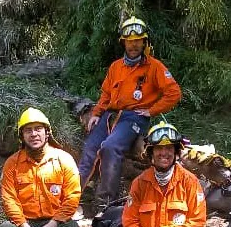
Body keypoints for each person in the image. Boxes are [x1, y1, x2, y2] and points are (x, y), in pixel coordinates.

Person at [77, 16, 181, 208]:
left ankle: (106, 202)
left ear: (144, 42)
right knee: (91, 147)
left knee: (110, 147)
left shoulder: (154, 67)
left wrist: (152, 111)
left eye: (137, 41)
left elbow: (174, 93)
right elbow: (106, 93)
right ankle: (71, 199)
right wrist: (97, 114)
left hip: (133, 118)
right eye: (129, 41)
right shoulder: (116, 66)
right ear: (124, 43)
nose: (133, 45)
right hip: (110, 116)